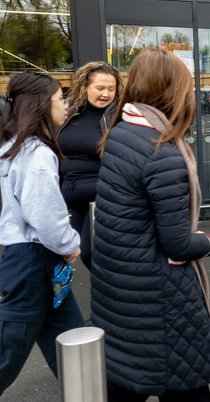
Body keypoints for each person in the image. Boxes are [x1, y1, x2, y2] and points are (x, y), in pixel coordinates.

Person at [90, 49, 210, 401]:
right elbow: (178, 244)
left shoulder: (120, 132)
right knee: (186, 384)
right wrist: (209, 241)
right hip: (160, 295)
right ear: (173, 92)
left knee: (127, 374)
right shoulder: (162, 152)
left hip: (119, 286)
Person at [0, 72, 82, 402]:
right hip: (33, 263)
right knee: (6, 356)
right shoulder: (36, 154)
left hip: (32, 261)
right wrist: (69, 244)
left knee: (74, 345)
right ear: (39, 105)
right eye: (60, 99)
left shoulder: (20, 148)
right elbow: (45, 215)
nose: (66, 105)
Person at [56, 61, 121, 271]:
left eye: (111, 89)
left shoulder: (117, 117)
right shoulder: (70, 113)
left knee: (91, 254)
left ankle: (114, 290)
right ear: (85, 87)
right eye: (100, 88)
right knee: (74, 252)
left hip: (101, 194)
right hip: (73, 196)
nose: (106, 94)